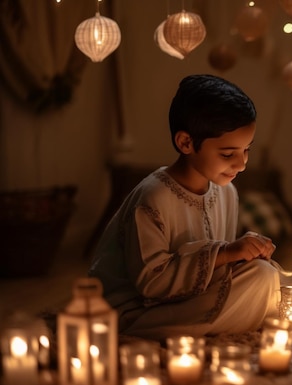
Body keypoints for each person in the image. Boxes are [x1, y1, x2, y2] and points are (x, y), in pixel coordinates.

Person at [89, 74, 281, 341]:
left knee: (265, 276)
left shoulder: (227, 193)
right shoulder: (153, 197)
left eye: (246, 150)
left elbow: (219, 270)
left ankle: (214, 324)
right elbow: (151, 283)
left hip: (191, 298)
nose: (242, 164)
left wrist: (242, 256)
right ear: (186, 143)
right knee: (259, 293)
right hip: (139, 308)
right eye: (228, 154)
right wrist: (225, 252)